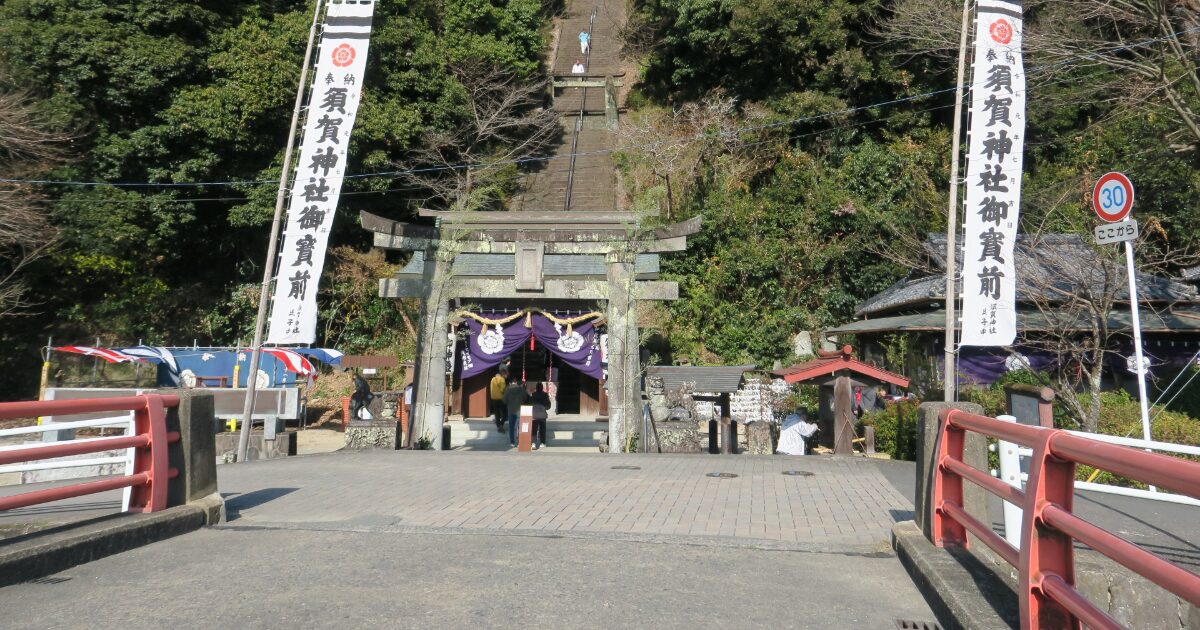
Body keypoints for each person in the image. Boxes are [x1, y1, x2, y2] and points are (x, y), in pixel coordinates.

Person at [503, 376, 529, 447]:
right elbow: (525, 397)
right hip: (519, 409)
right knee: (520, 427)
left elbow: (504, 401)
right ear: (517, 382)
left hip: (511, 410)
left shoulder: (507, 389)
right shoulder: (521, 389)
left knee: (511, 427)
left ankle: (512, 442)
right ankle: (520, 442)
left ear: (511, 383)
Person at [529, 382, 551, 450]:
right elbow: (548, 405)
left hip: (535, 414)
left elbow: (530, 403)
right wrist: (545, 408)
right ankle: (542, 443)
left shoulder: (533, 394)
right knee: (542, 429)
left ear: (536, 388)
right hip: (542, 414)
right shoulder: (545, 395)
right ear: (542, 388)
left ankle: (533, 443)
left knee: (534, 429)